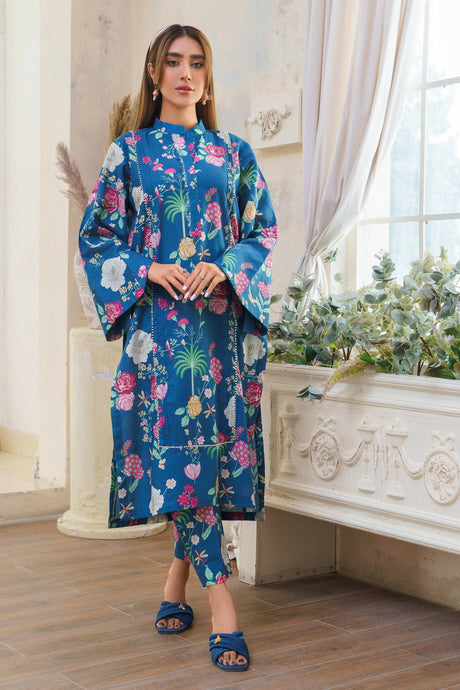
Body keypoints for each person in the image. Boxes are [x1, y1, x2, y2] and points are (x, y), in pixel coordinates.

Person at [79, 24, 277, 672]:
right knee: (179, 453)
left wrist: (225, 266)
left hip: (219, 329)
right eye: (173, 62)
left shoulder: (234, 152)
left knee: (205, 456)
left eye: (196, 63)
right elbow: (97, 236)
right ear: (154, 73)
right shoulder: (128, 153)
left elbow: (262, 231)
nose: (185, 73)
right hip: (161, 333)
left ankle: (174, 582)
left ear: (208, 77)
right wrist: (148, 268)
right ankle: (222, 604)